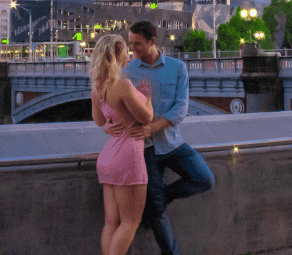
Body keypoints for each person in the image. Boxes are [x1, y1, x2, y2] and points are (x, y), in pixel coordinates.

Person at [106, 21, 215, 255]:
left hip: (173, 143)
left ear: (153, 41)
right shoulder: (126, 72)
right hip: (144, 150)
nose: (133, 49)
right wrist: (108, 123)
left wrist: (152, 127)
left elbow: (180, 108)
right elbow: (113, 104)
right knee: (156, 213)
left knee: (204, 179)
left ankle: (158, 199)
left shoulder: (177, 68)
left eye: (138, 44)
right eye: (130, 43)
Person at [90, 34, 154, 255]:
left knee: (111, 222)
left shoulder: (98, 88)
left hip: (108, 158)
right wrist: (147, 98)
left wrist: (110, 126)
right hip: (128, 158)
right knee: (129, 222)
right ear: (116, 54)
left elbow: (100, 122)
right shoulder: (124, 86)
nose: (129, 54)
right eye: (126, 50)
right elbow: (146, 119)